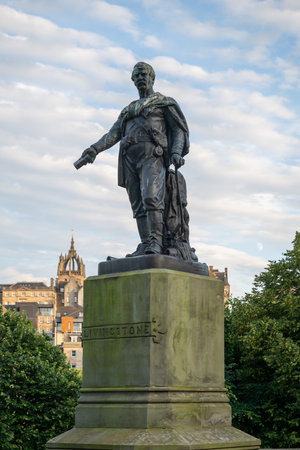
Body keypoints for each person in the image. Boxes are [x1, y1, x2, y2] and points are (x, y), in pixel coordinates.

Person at [79, 62, 190, 256]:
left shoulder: (164, 102)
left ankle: (156, 243)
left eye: (143, 74)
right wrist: (95, 149)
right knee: (138, 204)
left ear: (152, 78)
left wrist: (176, 152)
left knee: (151, 197)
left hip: (152, 155)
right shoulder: (128, 110)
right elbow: (113, 134)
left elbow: (178, 129)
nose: (140, 78)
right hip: (129, 158)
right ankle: (146, 244)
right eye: (136, 75)